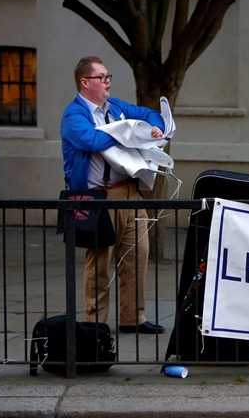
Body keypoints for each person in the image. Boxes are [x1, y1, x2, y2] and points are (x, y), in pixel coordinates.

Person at [60, 56, 166, 335]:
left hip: (130, 191)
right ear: (85, 83)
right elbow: (90, 141)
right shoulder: (74, 115)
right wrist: (129, 133)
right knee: (100, 260)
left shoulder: (116, 107)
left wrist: (156, 128)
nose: (107, 82)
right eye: (102, 77)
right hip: (98, 197)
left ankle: (133, 317)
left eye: (108, 77)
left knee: (137, 254)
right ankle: (95, 322)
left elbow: (149, 114)